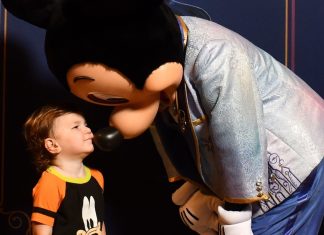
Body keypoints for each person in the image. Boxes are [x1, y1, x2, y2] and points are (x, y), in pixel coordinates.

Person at [4, 0, 323, 234]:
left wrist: (235, 213)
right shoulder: (160, 67)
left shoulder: (215, 54)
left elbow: (237, 134)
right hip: (239, 179)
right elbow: (167, 127)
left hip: (292, 158)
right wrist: (188, 186)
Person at [23, 104, 107, 235]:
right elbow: (42, 231)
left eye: (86, 124)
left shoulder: (97, 177)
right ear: (52, 145)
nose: (88, 130)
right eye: (76, 127)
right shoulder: (50, 183)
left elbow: (99, 224)